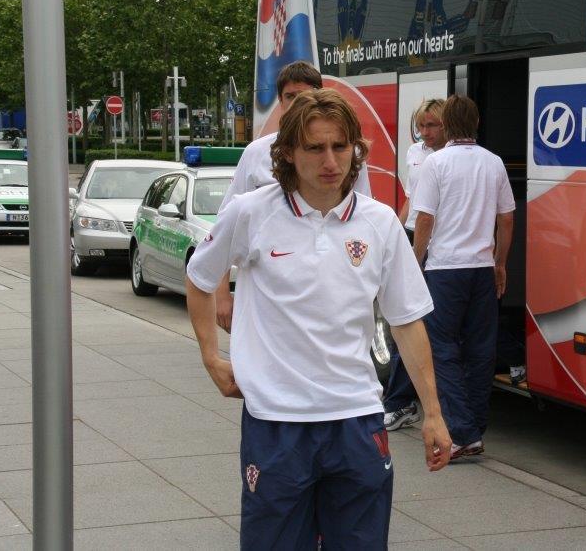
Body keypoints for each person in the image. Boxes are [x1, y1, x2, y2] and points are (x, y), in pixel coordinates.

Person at [185, 90, 451, 549]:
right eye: (315, 148)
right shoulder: (251, 213)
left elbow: (407, 321)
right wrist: (212, 357)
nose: (331, 161)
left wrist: (433, 413)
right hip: (276, 422)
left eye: (340, 146)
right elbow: (199, 277)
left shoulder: (380, 222)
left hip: (356, 420)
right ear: (289, 152)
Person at [214, 60, 371, 332]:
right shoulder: (256, 153)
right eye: (290, 96)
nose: (297, 103)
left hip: (331, 284)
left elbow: (363, 219)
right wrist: (221, 294)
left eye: (305, 95)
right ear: (280, 101)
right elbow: (225, 228)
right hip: (267, 290)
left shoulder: (350, 156)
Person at [412, 95, 515, 459]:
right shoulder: (494, 162)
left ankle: (461, 431)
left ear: (448, 124)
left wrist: (415, 261)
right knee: (481, 350)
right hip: (482, 268)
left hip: (445, 269)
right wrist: (500, 263)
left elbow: (425, 218)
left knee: (442, 349)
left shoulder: (436, 162)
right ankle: (474, 427)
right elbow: (506, 219)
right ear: (476, 123)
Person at [384, 98, 446, 431]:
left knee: (419, 324)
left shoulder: (448, 157)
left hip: (436, 242)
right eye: (421, 126)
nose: (425, 132)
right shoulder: (415, 152)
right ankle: (400, 401)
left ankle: (402, 401)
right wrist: (395, 231)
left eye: (432, 125)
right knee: (405, 319)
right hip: (413, 236)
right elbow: (411, 198)